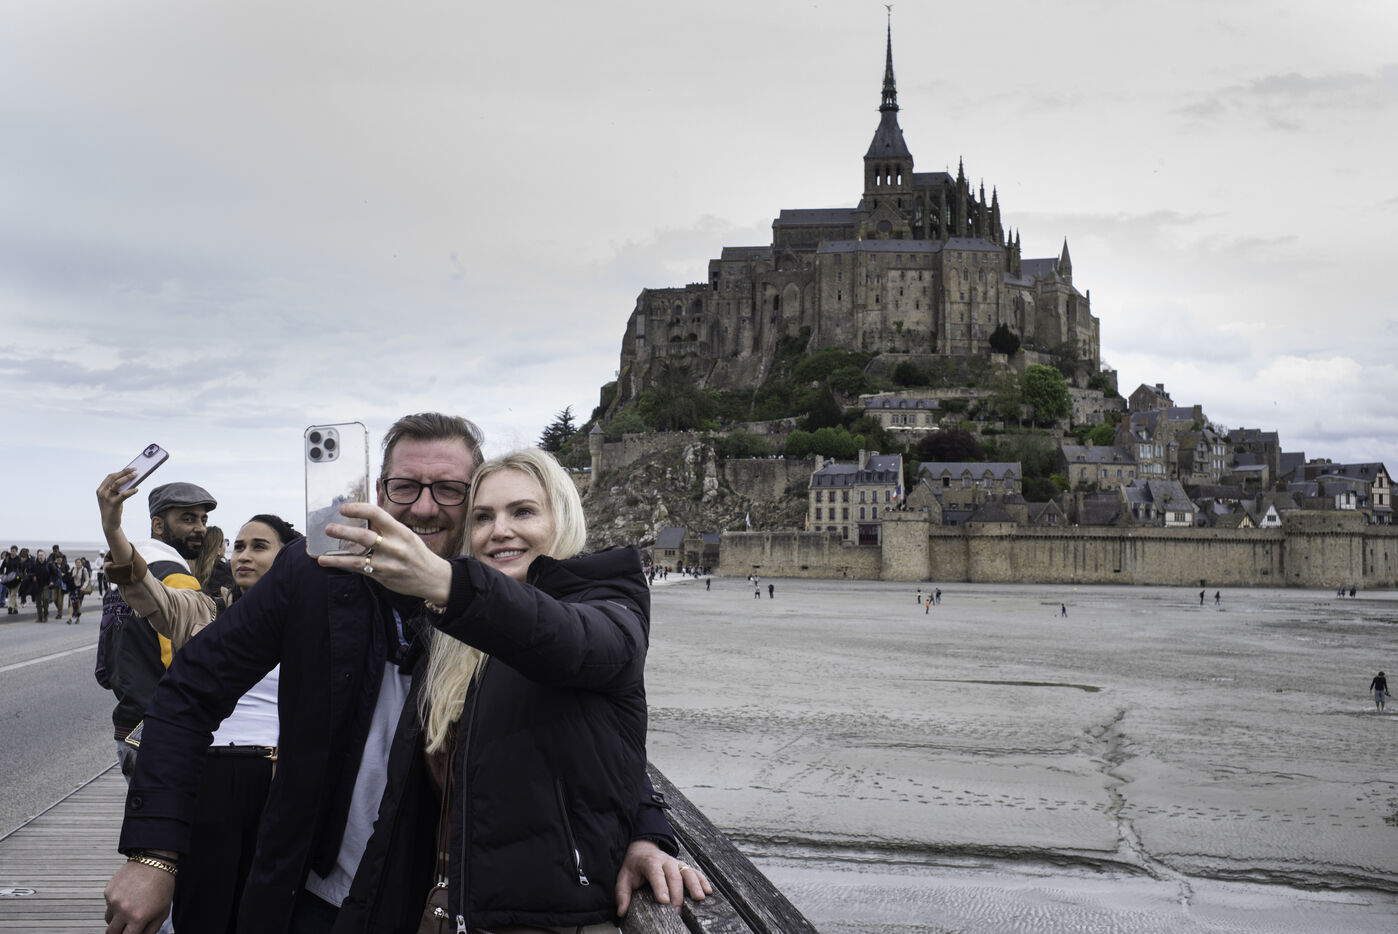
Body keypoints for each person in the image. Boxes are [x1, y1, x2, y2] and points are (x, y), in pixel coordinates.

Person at [104, 413, 701, 934]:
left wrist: (645, 826)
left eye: (449, 490)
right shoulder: (311, 574)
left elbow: (588, 713)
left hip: (426, 902)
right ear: (378, 491)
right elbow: (189, 691)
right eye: (405, 486)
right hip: (305, 889)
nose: (423, 507)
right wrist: (153, 854)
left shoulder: (506, 609)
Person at [323, 448, 710, 930]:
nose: (499, 530)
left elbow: (572, 643)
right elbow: (599, 750)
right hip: (442, 911)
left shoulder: (610, 602)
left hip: (547, 921)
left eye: (523, 511)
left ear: (561, 519)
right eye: (483, 517)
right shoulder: (449, 639)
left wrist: (647, 834)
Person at [98, 468, 301, 933]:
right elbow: (148, 592)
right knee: (202, 910)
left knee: (268, 909)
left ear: (288, 559)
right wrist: (112, 527)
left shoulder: (310, 622)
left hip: (279, 779)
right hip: (212, 776)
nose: (243, 555)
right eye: (239, 546)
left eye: (259, 546)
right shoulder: (206, 611)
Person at [96, 481, 216, 777]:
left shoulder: (122, 577)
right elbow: (183, 665)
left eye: (203, 520)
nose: (200, 528)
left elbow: (104, 667)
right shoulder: (176, 577)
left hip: (128, 724)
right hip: (165, 730)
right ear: (158, 525)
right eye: (188, 519)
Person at [68, 557, 92, 623]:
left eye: (79, 562)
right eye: (76, 562)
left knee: (78, 604)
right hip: (73, 588)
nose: (78, 564)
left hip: (80, 588)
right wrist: (71, 575)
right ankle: (70, 618)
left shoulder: (84, 570)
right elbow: (68, 577)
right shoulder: (73, 569)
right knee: (71, 603)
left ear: (81, 563)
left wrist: (83, 587)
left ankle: (78, 618)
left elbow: (87, 580)